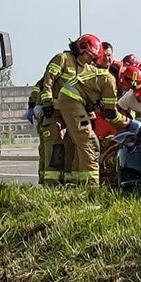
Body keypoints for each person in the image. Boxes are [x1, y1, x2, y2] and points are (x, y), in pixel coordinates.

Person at [51, 35, 122, 186]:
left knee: (79, 145)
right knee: (89, 143)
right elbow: (111, 114)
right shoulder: (110, 81)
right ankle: (91, 187)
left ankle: (77, 183)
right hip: (70, 102)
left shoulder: (95, 72)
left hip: (72, 102)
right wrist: (129, 123)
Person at [29, 42, 76, 186]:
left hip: (66, 114)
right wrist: (35, 105)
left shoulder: (80, 68)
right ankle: (48, 183)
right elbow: (42, 86)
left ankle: (61, 181)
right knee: (50, 149)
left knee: (65, 149)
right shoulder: (58, 66)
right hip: (49, 113)